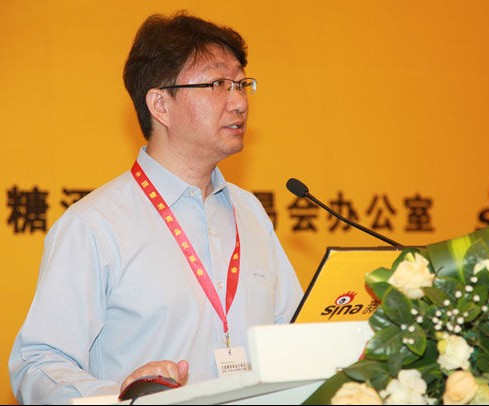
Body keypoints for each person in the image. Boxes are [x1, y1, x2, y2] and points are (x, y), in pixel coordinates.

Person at [9, 10, 303, 405]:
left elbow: (292, 333)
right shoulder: (94, 225)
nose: (238, 102)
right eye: (218, 84)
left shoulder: (249, 212)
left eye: (241, 84)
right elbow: (38, 364)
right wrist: (124, 397)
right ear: (160, 104)